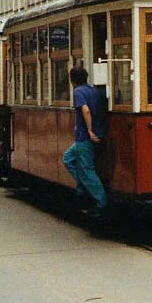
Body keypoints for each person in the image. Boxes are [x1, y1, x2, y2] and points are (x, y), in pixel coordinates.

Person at [61, 66, 108, 216]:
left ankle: (101, 202)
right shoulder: (95, 91)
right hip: (93, 134)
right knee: (68, 158)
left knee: (87, 170)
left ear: (72, 80)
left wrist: (89, 130)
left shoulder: (78, 92)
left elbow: (85, 110)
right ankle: (82, 187)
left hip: (84, 136)